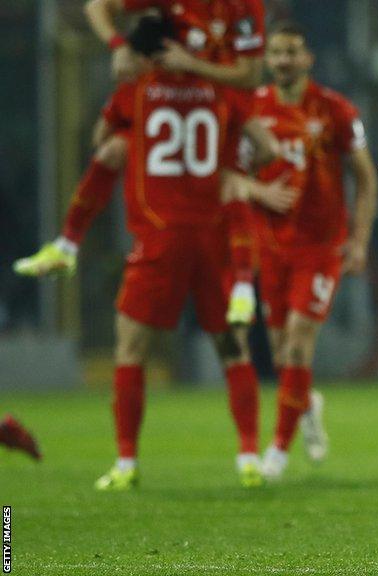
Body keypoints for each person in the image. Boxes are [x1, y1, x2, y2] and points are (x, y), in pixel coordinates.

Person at [14, 18, 277, 490]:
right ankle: (248, 457)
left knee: (130, 348)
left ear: (148, 56)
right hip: (214, 235)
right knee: (231, 349)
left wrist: (130, 140)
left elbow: (100, 142)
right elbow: (267, 146)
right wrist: (233, 171)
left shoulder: (137, 91)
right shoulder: (223, 91)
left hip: (158, 235)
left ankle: (127, 463)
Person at [249, 21, 378, 481]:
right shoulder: (253, 110)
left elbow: (364, 178)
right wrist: (257, 193)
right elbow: (228, 173)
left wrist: (359, 241)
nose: (283, 60)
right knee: (284, 355)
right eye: (277, 53)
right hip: (270, 248)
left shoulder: (335, 110)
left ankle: (278, 452)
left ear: (307, 60)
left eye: (292, 52)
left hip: (320, 248)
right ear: (268, 59)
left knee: (300, 346)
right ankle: (306, 403)